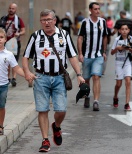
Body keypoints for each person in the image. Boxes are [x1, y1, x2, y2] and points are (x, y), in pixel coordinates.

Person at [22, 9, 85, 152]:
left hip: (59, 78)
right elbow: (26, 56)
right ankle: (45, 140)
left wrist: (79, 74)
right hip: (41, 77)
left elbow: (72, 57)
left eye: (49, 19)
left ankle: (56, 126)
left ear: (55, 20)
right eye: (43, 20)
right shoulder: (35, 36)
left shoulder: (64, 35)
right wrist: (26, 72)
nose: (46, 22)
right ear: (40, 22)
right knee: (42, 109)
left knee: (61, 110)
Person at [77, 2, 108, 111]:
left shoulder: (103, 22)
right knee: (86, 79)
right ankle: (87, 96)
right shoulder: (85, 22)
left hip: (98, 55)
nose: (98, 11)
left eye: (98, 9)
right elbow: (80, 38)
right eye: (95, 9)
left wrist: (104, 51)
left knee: (96, 76)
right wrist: (80, 53)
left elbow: (105, 37)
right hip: (87, 56)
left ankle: (96, 101)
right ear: (90, 10)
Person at [0, 28, 25, 135]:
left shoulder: (9, 54)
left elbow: (17, 68)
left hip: (3, 85)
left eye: (1, 37)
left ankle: (0, 126)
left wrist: (27, 75)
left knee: (1, 106)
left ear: (5, 39)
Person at [111, 24, 132, 111]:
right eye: (122, 29)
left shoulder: (131, 39)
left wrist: (129, 49)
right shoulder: (117, 40)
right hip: (119, 62)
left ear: (128, 30)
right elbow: (112, 52)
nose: (124, 31)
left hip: (127, 62)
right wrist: (118, 48)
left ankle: (127, 103)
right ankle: (115, 97)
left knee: (128, 81)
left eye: (126, 29)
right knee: (118, 84)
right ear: (119, 31)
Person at [0, 3, 25, 87]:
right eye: (10, 8)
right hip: (4, 43)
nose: (11, 10)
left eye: (13, 8)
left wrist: (19, 33)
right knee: (6, 60)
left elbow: (23, 30)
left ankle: (14, 78)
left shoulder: (18, 20)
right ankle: (7, 78)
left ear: (15, 10)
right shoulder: (3, 18)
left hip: (14, 43)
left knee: (13, 60)